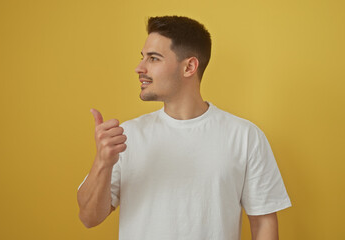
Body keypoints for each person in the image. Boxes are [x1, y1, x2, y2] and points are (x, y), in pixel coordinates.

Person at [77, 15, 291, 240]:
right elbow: (88, 218)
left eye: (153, 58)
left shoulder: (245, 137)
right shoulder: (127, 136)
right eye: (143, 57)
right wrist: (103, 162)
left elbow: (263, 223)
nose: (139, 68)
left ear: (189, 66)